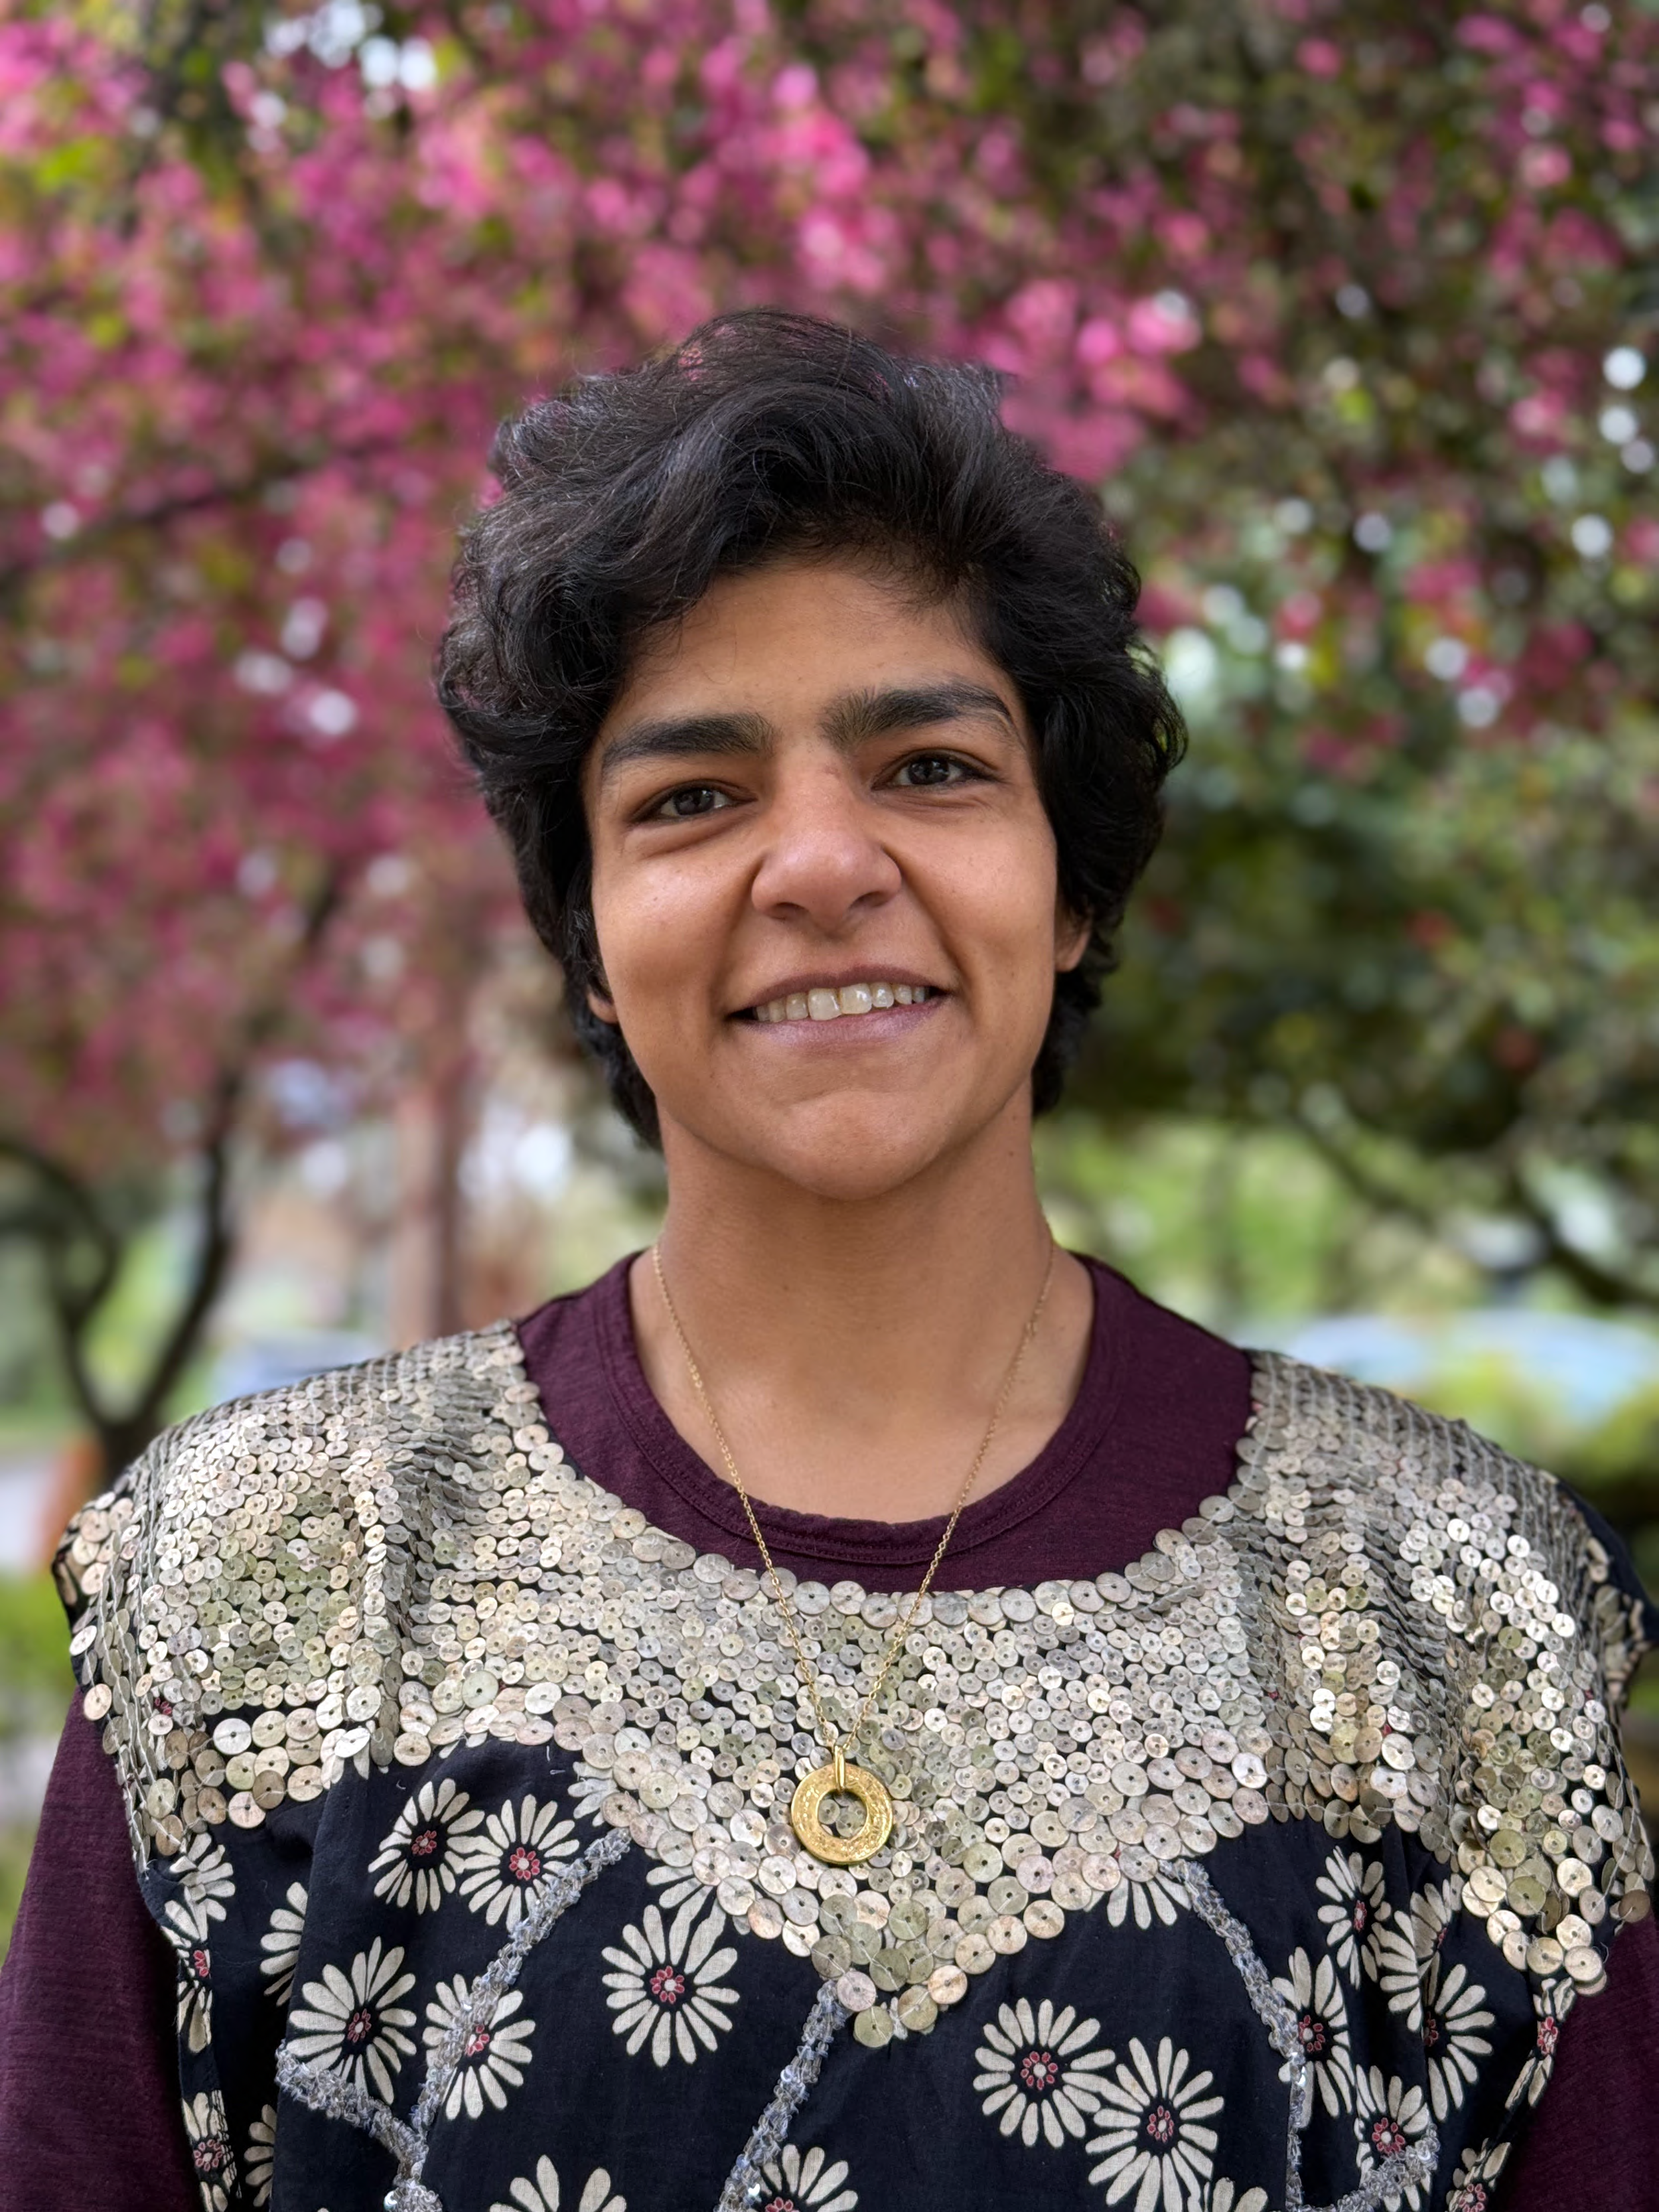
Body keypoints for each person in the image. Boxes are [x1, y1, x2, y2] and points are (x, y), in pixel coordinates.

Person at [2, 311, 1655, 2212]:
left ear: (1076, 879)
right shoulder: (253, 1584)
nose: (816, 862)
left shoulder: (1452, 1614)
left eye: (929, 766)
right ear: (590, 939)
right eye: (692, 798)